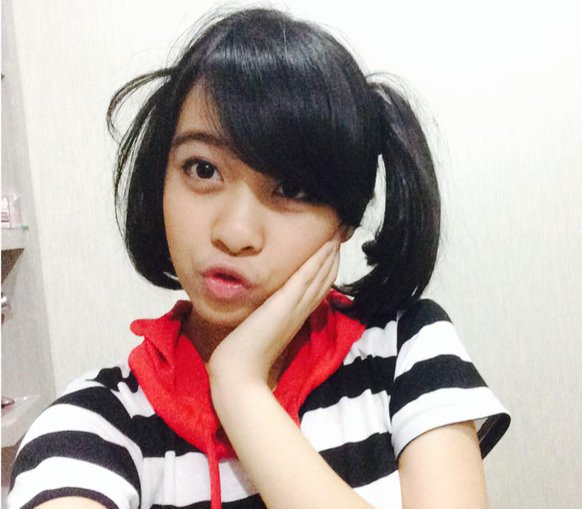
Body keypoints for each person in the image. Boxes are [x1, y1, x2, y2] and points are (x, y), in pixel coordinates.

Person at [8, 8, 509, 509]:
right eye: (202, 169)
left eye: (292, 188)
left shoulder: (407, 351)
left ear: (346, 218)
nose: (235, 233)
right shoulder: (95, 425)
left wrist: (241, 389)